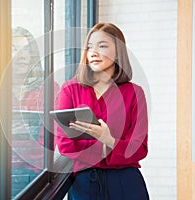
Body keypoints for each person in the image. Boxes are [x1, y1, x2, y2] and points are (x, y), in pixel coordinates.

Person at [55, 22, 149, 199]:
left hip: (126, 183)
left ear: (118, 52)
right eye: (90, 47)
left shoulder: (134, 93)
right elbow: (65, 145)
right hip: (84, 185)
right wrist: (110, 148)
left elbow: (140, 148)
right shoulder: (70, 90)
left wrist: (109, 139)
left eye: (102, 46)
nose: (94, 53)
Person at [0, 27, 59, 199]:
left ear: (33, 56)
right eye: (14, 49)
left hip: (36, 176)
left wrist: (12, 140)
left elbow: (46, 146)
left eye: (26, 49)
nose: (22, 55)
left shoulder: (49, 91)